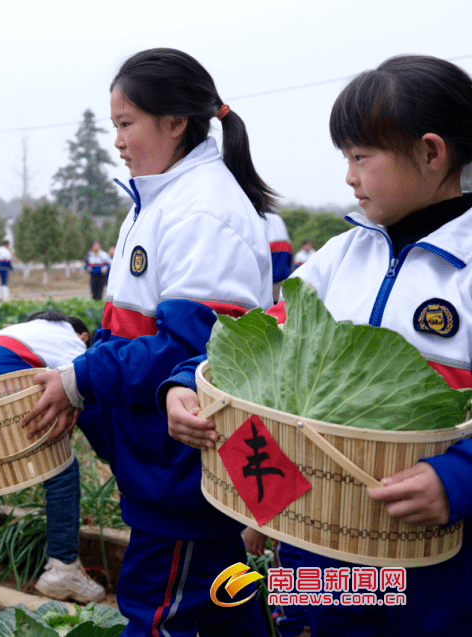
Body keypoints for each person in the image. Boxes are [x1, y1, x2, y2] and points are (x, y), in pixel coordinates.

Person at [165, 54, 472, 636]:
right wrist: (187, 382)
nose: (349, 177)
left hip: (438, 564)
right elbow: (259, 341)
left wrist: (459, 479)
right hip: (324, 547)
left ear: (432, 152)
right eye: (345, 158)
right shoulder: (341, 257)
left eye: (361, 157)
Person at [23, 48, 275, 636]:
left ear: (175, 121)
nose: (117, 141)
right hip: (168, 467)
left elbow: (194, 350)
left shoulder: (202, 210)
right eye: (114, 125)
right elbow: (126, 330)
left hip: (183, 469)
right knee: (222, 609)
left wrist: (80, 379)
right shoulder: (159, 201)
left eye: (126, 123)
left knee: (157, 614)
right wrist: (87, 392)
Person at [0, 309, 105, 604]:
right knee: (61, 464)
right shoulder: (71, 342)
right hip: (4, 384)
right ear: (83, 336)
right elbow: (92, 406)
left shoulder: (17, 330)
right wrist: (119, 461)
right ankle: (63, 569)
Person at [265, 212, 293, 304]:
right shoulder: (276, 217)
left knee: (269, 276)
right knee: (282, 275)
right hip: (286, 245)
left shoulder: (262, 214)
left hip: (271, 244)